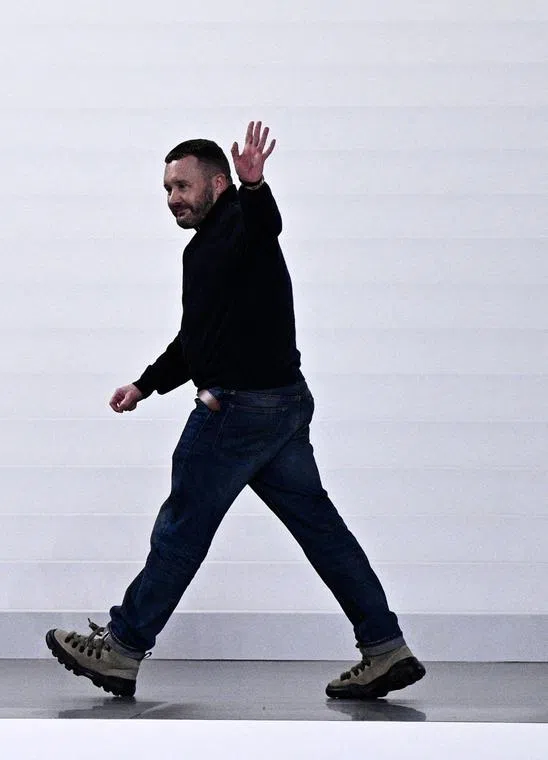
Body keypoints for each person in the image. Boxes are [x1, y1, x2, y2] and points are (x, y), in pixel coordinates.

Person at [45, 121, 426, 700]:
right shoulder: (203, 250)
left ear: (217, 184)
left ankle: (121, 651)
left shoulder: (243, 228)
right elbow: (196, 340)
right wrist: (145, 386)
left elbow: (265, 225)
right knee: (322, 531)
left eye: (183, 186)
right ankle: (385, 648)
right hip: (283, 408)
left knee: (180, 531)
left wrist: (255, 187)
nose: (173, 198)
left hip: (236, 410)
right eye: (167, 188)